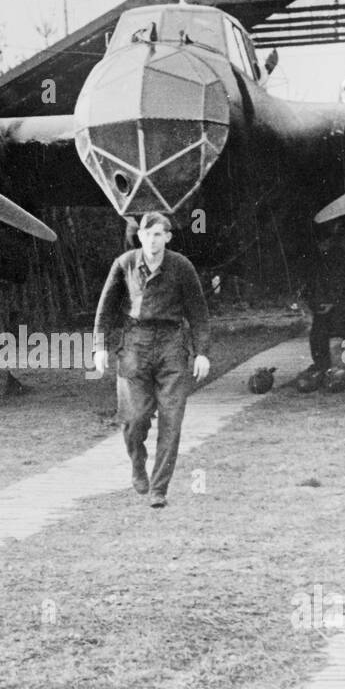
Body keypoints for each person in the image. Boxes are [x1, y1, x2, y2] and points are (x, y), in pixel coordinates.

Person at [93, 210, 210, 508]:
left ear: (167, 237)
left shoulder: (182, 267)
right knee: (134, 419)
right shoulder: (125, 264)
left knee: (172, 421)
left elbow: (198, 313)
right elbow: (105, 308)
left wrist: (201, 352)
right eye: (147, 234)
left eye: (158, 234)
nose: (152, 240)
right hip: (135, 344)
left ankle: (159, 489)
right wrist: (100, 347)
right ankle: (137, 463)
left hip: (172, 345)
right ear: (140, 236)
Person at [297, 223, 345, 393]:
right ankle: (322, 366)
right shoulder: (315, 257)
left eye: (324, 242)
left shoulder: (338, 256)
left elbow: (339, 283)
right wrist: (313, 303)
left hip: (343, 300)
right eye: (319, 244)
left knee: (340, 326)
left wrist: (332, 303)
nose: (322, 246)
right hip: (324, 301)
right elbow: (312, 283)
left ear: (329, 241)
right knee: (318, 333)